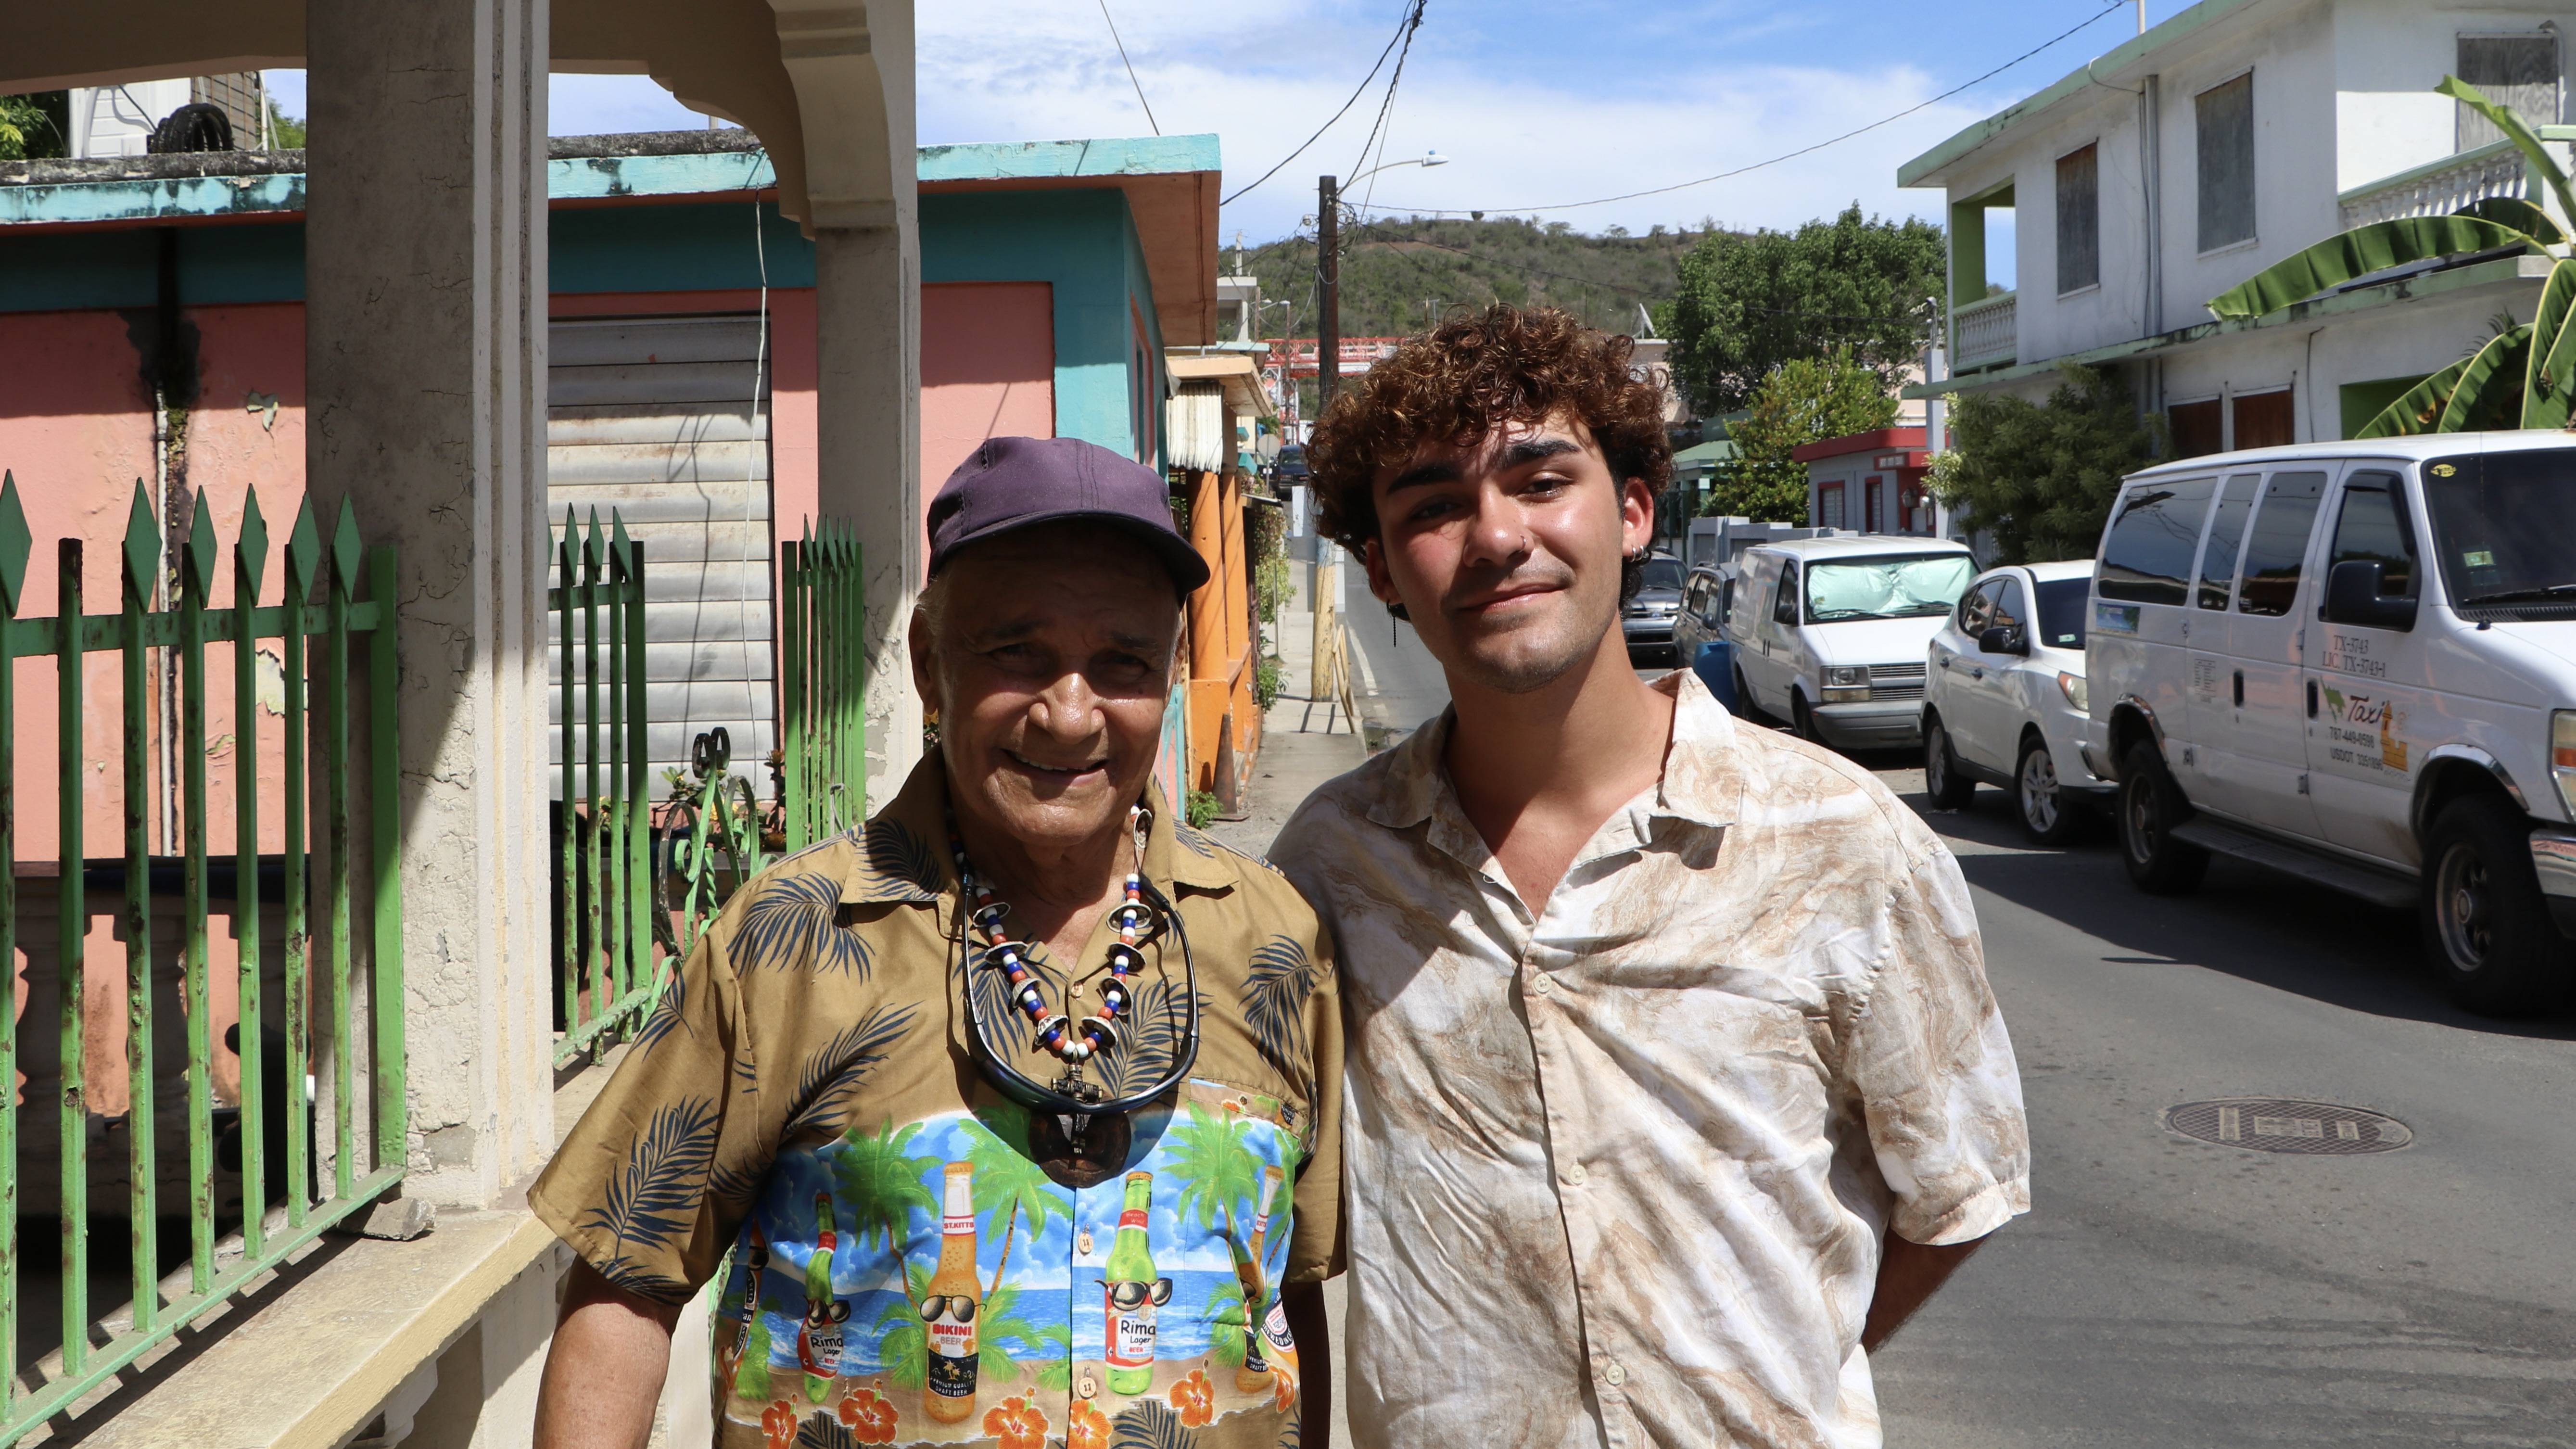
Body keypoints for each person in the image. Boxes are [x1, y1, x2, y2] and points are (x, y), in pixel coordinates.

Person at [1271, 306, 2028, 1449]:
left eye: (1538, 479)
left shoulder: (1838, 840)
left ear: (1631, 512)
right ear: (1378, 566)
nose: (1494, 537)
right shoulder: (1331, 868)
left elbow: (1956, 1189)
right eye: (1432, 506)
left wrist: (1778, 1362)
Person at [530, 436, 1343, 1449]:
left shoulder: (1270, 939)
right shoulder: (788, 941)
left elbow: (1289, 1294)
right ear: (927, 665)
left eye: (1122, 663)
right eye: (1017, 654)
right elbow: (624, 1289)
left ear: (1169, 676)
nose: (1068, 714)